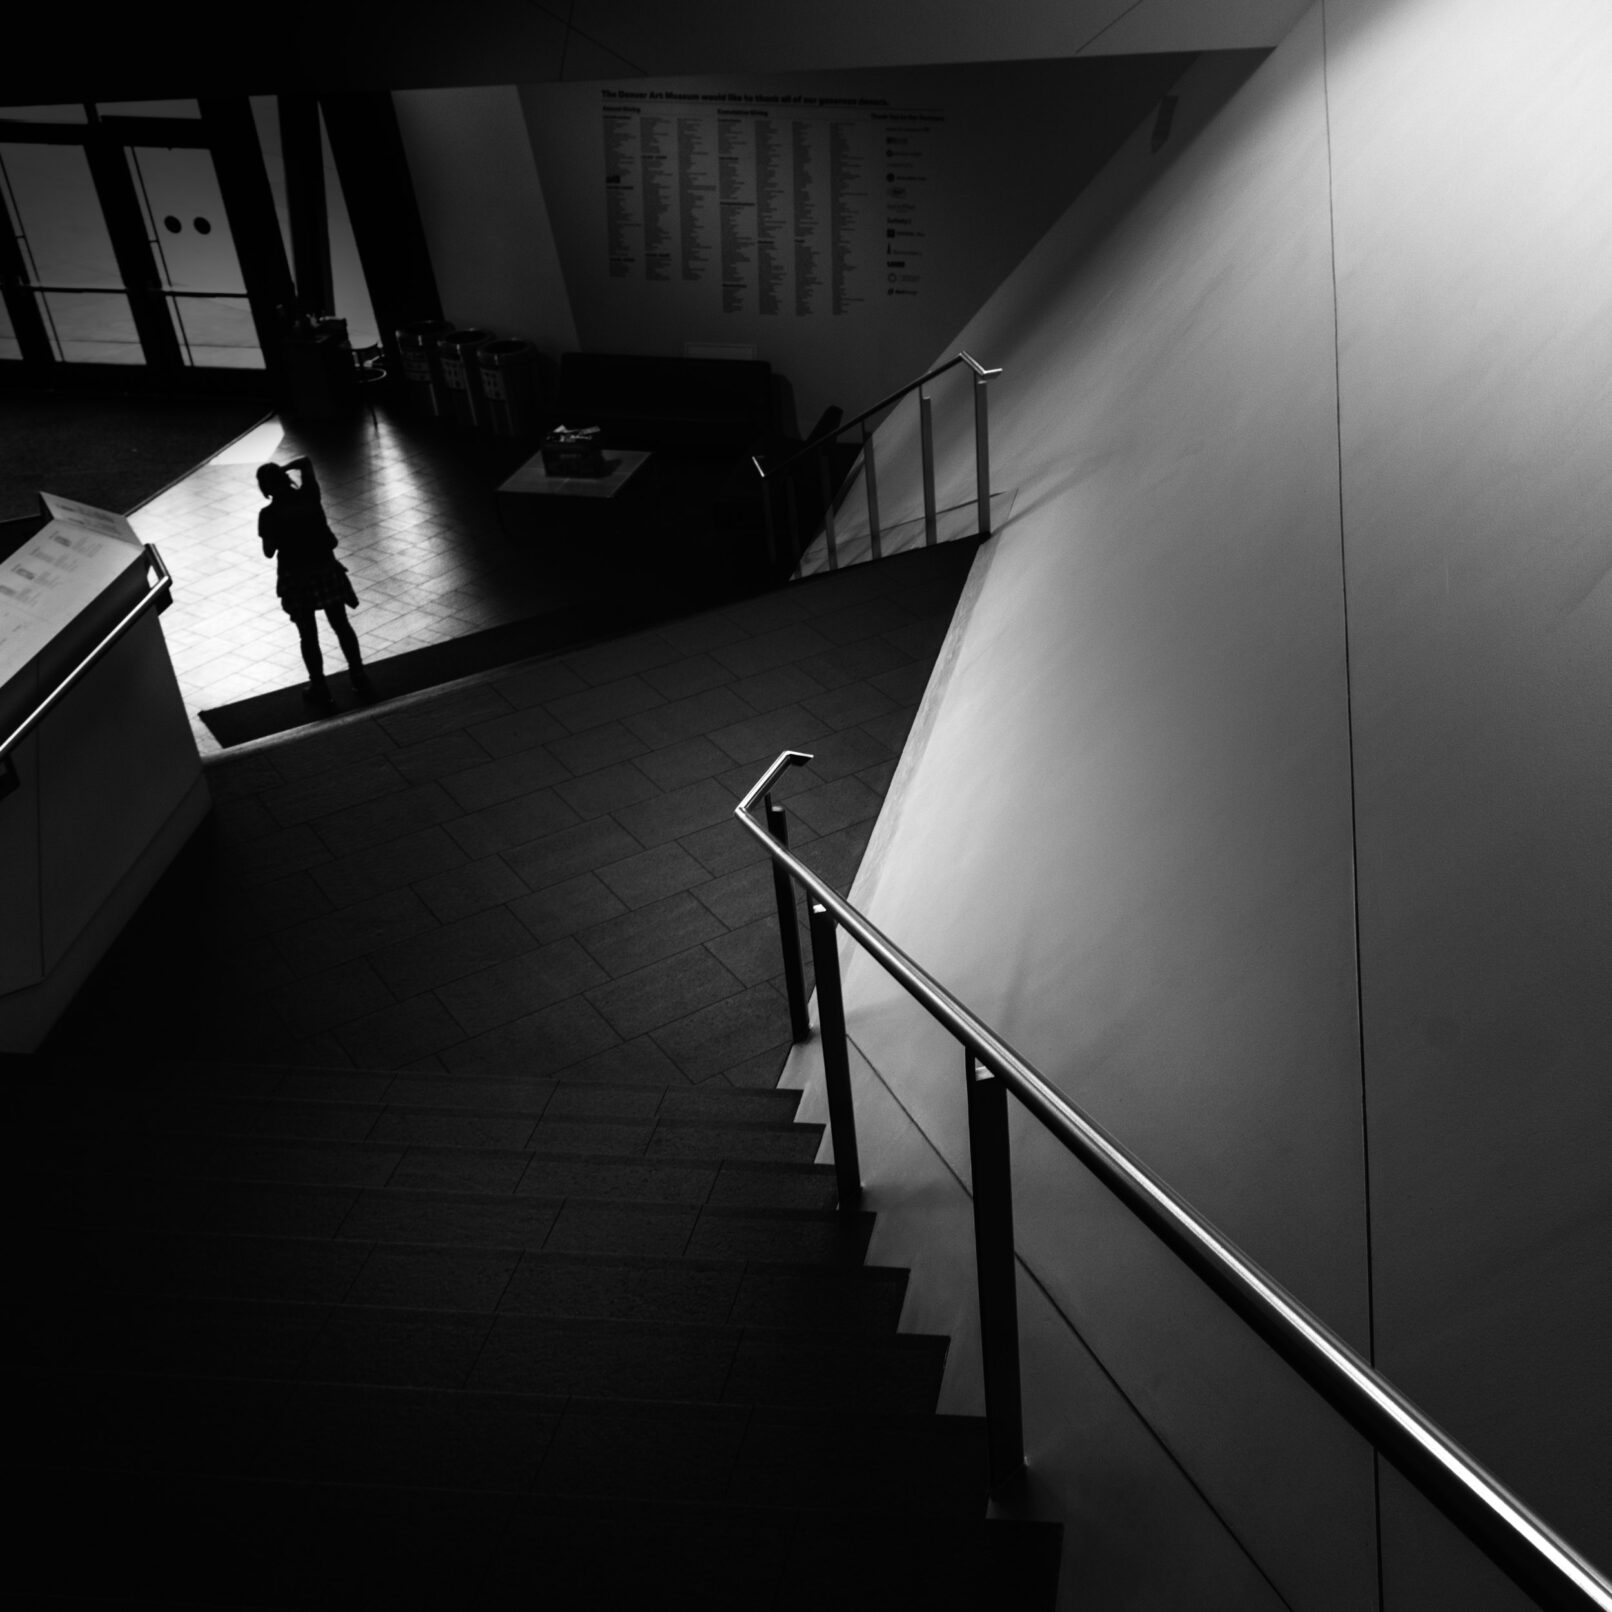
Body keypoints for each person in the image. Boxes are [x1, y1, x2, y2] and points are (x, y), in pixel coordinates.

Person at [256, 455, 374, 708]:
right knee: (341, 625)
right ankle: (358, 675)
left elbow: (268, 551)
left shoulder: (268, 514)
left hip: (296, 577)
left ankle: (319, 686)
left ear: (264, 488)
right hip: (324, 569)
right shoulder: (310, 494)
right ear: (284, 479)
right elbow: (306, 461)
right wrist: (283, 469)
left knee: (308, 635)